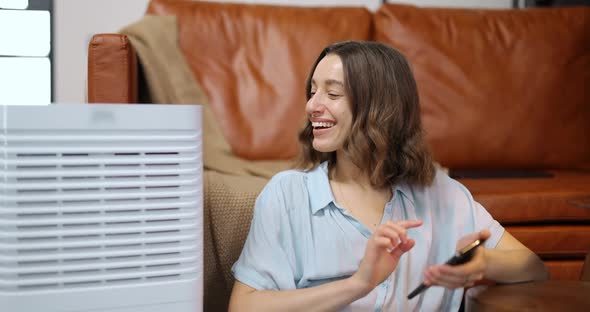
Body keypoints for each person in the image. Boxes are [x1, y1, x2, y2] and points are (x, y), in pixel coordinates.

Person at [228, 41, 548, 311]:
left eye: (333, 94)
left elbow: (533, 267)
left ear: (379, 107)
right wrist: (358, 284)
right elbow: (244, 306)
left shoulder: (441, 195)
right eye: (312, 92)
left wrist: (482, 266)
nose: (312, 105)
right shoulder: (288, 194)